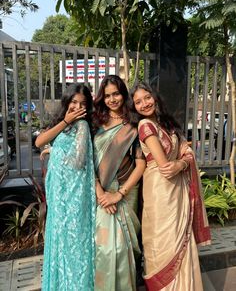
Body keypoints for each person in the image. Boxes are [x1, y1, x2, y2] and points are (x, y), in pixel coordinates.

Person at [129, 82, 211, 291]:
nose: (144, 104)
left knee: (181, 239)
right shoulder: (145, 125)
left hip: (177, 189)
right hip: (160, 192)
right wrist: (181, 160)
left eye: (147, 97)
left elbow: (186, 152)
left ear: (154, 97)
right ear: (134, 107)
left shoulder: (166, 124)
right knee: (163, 242)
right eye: (138, 102)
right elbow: (165, 164)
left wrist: (182, 162)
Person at [35, 83, 96, 291]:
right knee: (59, 240)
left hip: (73, 198)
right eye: (74, 102)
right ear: (67, 101)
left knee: (73, 243)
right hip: (58, 196)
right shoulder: (65, 123)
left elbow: (78, 161)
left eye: (82, 103)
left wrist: (56, 151)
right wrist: (57, 140)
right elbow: (39, 142)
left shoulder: (82, 127)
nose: (77, 106)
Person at [93, 75, 146, 291]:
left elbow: (140, 164)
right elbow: (87, 161)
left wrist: (119, 194)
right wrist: (101, 194)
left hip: (125, 193)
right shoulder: (96, 122)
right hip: (101, 192)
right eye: (107, 96)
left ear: (123, 94)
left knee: (123, 249)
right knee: (104, 249)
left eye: (116, 93)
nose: (112, 99)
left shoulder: (134, 124)